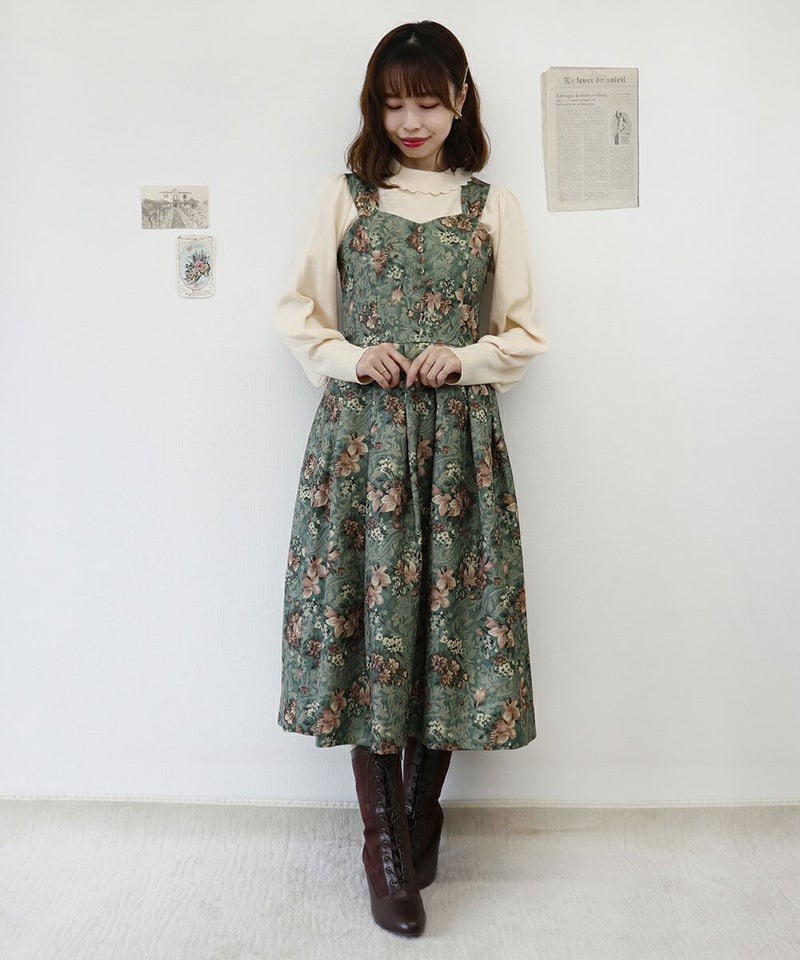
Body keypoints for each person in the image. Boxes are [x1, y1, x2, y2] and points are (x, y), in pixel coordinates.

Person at [275, 20, 549, 937]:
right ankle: (383, 845)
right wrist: (353, 356)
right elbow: (299, 312)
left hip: (458, 446)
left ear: (460, 99)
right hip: (363, 444)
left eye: (428, 101)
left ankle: (421, 813)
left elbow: (523, 333)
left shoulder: (491, 206)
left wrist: (463, 359)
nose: (412, 121)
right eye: (394, 104)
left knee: (449, 622)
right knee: (367, 622)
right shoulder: (346, 197)